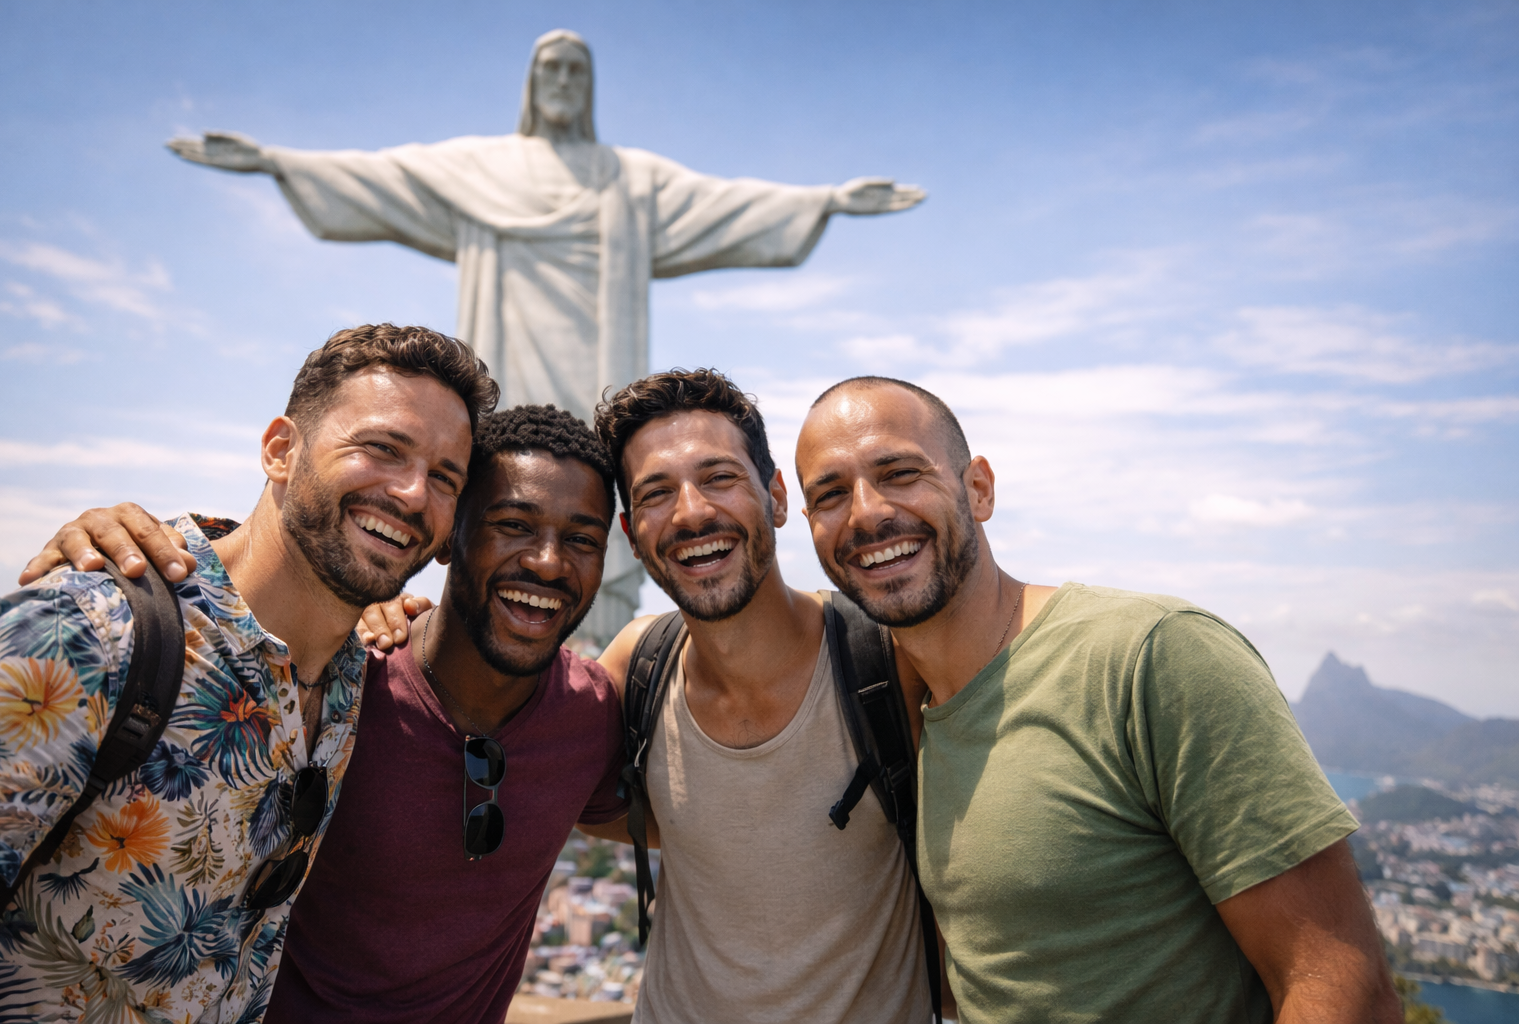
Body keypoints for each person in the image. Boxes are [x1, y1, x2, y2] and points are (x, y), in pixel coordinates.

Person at [163, 28, 926, 646]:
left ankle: (584, 632)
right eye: (549, 69)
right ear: (532, 84)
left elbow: (724, 206)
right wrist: (276, 162)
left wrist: (824, 202)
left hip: (599, 350)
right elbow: (384, 180)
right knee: (511, 488)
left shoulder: (627, 178)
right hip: (511, 342)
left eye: (575, 71)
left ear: (587, 87)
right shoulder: (483, 168)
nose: (562, 82)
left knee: (580, 491)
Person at [793, 376, 1402, 1023]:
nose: (865, 513)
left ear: (979, 489)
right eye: (830, 494)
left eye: (899, 472)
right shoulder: (903, 715)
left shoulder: (1149, 655)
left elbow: (1343, 987)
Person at [16, 406, 630, 1024]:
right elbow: (257, 591)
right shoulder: (337, 683)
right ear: (447, 536)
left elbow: (690, 816)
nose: (549, 562)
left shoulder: (592, 716)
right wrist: (129, 545)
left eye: (582, 540)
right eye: (513, 525)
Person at [0, 324, 493, 1022]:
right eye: (381, 449)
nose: (410, 493)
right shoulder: (89, 639)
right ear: (281, 450)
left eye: (444, 478)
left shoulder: (356, 674)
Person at [586, 369, 935, 1024]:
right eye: (657, 493)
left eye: (718, 478)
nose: (691, 513)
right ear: (632, 536)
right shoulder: (639, 666)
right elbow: (554, 779)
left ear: (776, 497)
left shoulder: (885, 661)